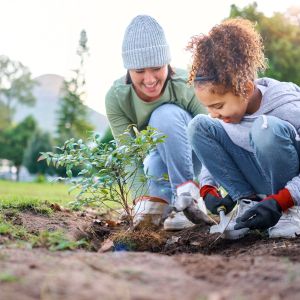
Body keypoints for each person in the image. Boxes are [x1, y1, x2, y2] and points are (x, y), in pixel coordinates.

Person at [186, 18, 300, 239]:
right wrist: (208, 187)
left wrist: (283, 200)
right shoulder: (231, 113)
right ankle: (249, 206)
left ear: (246, 89)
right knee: (198, 126)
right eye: (209, 106)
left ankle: (291, 213)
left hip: (291, 193)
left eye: (218, 106)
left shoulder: (288, 107)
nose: (214, 113)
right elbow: (221, 143)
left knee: (264, 129)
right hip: (264, 191)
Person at [105, 15, 207, 230]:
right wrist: (142, 198)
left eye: (156, 68)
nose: (149, 80)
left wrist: (207, 187)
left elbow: (211, 136)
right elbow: (128, 155)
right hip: (157, 159)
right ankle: (173, 205)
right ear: (128, 70)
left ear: (167, 64)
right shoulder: (116, 97)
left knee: (164, 115)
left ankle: (188, 195)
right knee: (154, 204)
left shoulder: (187, 84)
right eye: (139, 71)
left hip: (193, 154)